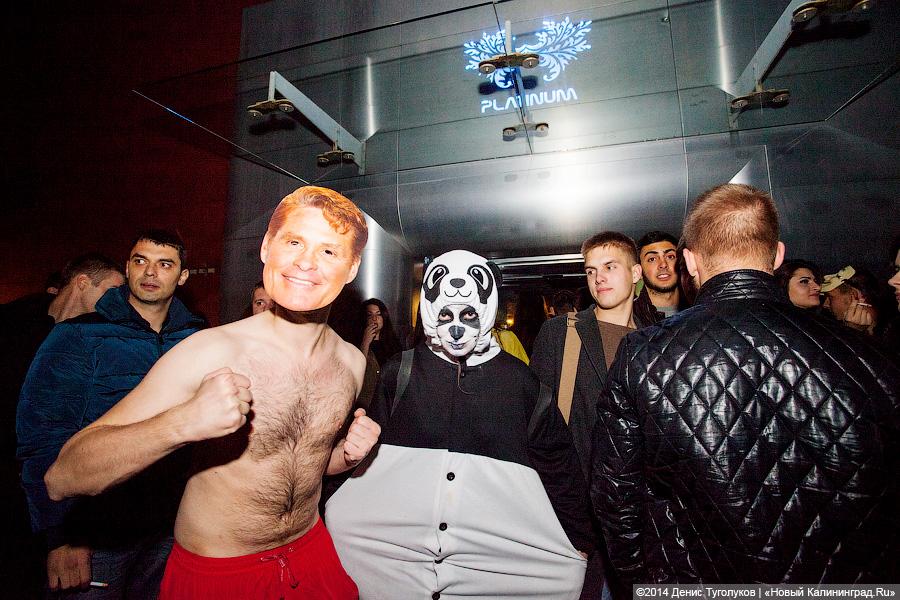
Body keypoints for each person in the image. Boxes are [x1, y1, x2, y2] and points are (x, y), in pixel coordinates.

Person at [44, 186, 380, 599]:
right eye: (294, 242)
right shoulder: (209, 351)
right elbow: (64, 477)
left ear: (352, 267)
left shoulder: (352, 363)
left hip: (311, 554)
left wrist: (345, 457)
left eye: (328, 251)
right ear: (267, 247)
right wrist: (182, 422)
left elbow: (296, 464)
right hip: (219, 573)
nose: (306, 262)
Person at [591, 183, 900, 584]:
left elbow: (616, 497)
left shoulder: (642, 355)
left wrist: (644, 583)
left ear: (690, 261)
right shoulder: (871, 356)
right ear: (777, 254)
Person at [326, 250, 593, 600]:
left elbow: (558, 465)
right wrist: (336, 502)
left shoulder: (522, 383)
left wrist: (577, 540)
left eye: (468, 313)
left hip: (492, 566)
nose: (456, 326)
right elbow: (363, 453)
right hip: (400, 562)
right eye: (446, 313)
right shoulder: (399, 372)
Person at [16, 233, 201, 597]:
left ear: (182, 276)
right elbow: (42, 435)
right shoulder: (78, 335)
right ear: (128, 268)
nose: (150, 272)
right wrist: (60, 538)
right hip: (96, 535)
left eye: (164, 264)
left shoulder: (196, 338)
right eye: (140, 261)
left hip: (171, 529)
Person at [530, 231, 657, 600]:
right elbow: (536, 426)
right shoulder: (560, 333)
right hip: (575, 512)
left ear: (636, 273)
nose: (598, 278)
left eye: (610, 267)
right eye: (591, 271)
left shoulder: (655, 340)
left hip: (638, 518)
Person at [1, 253, 123, 596]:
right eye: (113, 291)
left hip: (44, 509)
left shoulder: (98, 343)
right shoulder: (13, 326)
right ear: (82, 283)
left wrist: (64, 535)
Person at [821, 265, 880, 335]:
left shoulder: (889, 335)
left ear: (854, 295)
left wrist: (852, 332)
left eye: (830, 297)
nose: (825, 304)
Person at [636, 231, 682, 317]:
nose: (663, 264)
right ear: (639, 271)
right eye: (652, 259)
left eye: (670, 257)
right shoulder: (629, 317)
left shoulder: (700, 310)